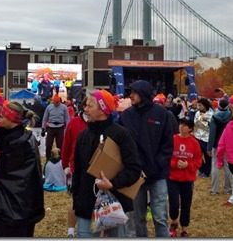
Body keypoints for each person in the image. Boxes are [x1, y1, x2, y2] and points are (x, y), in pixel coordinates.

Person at [72, 89, 142, 237]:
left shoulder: (121, 134)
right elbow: (77, 172)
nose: (85, 109)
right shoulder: (83, 136)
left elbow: (134, 169)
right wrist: (76, 202)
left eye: (90, 105)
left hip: (115, 203)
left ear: (103, 109)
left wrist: (113, 183)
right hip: (86, 204)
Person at [118, 80, 174, 237]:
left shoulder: (162, 114)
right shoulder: (126, 116)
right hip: (136, 176)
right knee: (137, 218)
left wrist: (157, 165)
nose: (131, 95)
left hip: (158, 175)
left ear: (143, 94)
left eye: (134, 92)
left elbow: (168, 145)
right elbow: (120, 143)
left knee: (160, 217)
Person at [0, 101, 44, 237]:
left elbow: (13, 180)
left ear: (11, 119)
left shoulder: (16, 144)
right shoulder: (17, 139)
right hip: (19, 208)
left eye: (2, 117)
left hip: (11, 209)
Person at [167, 118, 202, 237]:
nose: (181, 126)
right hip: (173, 178)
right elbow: (166, 156)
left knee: (186, 204)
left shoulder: (194, 143)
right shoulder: (172, 139)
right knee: (174, 203)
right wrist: (174, 164)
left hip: (187, 179)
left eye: (185, 125)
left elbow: (198, 161)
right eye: (181, 124)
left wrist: (188, 165)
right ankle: (173, 221)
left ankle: (184, 227)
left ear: (191, 129)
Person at [61, 98, 88, 237]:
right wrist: (65, 165)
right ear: (84, 107)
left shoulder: (99, 123)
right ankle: (71, 230)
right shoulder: (74, 123)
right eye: (88, 105)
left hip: (93, 169)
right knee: (75, 200)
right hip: (75, 168)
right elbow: (66, 145)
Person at [207, 98, 233, 196]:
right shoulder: (231, 116)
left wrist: (209, 147)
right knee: (227, 166)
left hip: (216, 145)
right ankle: (228, 189)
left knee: (215, 166)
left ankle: (214, 189)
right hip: (228, 145)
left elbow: (212, 133)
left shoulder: (214, 117)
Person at [41, 94, 70, 161]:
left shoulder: (64, 107)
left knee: (60, 145)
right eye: (55, 102)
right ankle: (48, 159)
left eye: (57, 103)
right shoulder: (49, 107)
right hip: (51, 127)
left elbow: (67, 118)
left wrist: (68, 129)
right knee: (48, 144)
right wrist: (43, 128)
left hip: (60, 127)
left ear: (60, 101)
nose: (56, 104)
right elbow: (45, 118)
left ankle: (61, 159)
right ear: (53, 101)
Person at [193, 98, 214, 178]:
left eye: (200, 105)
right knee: (196, 155)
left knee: (207, 156)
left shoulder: (211, 114)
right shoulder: (197, 113)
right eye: (198, 105)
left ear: (205, 105)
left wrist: (205, 122)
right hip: (198, 136)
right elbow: (195, 123)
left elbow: (211, 127)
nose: (199, 107)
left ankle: (207, 172)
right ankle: (202, 169)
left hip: (207, 138)